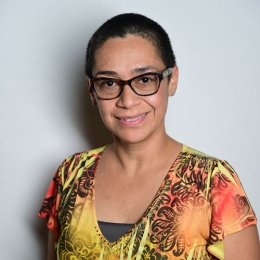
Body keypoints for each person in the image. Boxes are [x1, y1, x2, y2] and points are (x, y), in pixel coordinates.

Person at [38, 13, 260, 260]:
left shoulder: (212, 181)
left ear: (172, 80)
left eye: (144, 79)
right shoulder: (70, 173)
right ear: (92, 90)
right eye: (109, 83)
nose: (128, 101)